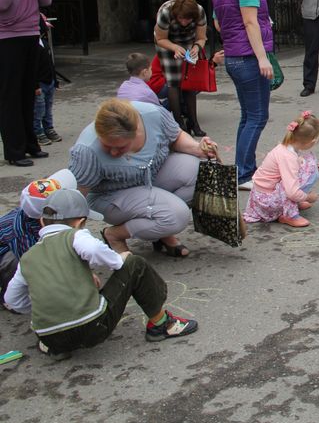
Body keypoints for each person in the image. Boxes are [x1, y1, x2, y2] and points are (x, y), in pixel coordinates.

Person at [3, 189, 198, 361]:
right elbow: (94, 250)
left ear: (42, 221)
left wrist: (47, 310)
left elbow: (12, 299)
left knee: (52, 321)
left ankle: (56, 348)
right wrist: (118, 260)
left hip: (49, 337)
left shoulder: (27, 257)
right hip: (92, 328)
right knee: (135, 264)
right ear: (80, 222)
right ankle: (161, 324)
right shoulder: (75, 235)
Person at [68, 98, 218, 258]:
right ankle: (115, 235)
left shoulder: (153, 115)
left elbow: (176, 136)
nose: (113, 153)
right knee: (177, 215)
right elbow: (74, 199)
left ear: (136, 131)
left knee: (203, 173)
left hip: (149, 178)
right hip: (111, 196)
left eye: (120, 147)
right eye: (106, 146)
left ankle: (160, 226)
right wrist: (70, 243)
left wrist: (198, 148)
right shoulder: (87, 150)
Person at [211, 0, 274, 189]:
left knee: (248, 116)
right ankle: (244, 174)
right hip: (248, 58)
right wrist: (262, 58)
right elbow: (249, 21)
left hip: (234, 56)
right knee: (257, 117)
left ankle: (243, 169)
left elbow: (218, 23)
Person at [0, 0, 51, 167]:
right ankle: (14, 151)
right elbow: (3, 3)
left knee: (28, 93)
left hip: (30, 36)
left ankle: (31, 144)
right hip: (7, 41)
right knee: (10, 97)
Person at [0, 169, 76, 297]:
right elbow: (31, 262)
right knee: (17, 262)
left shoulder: (32, 213)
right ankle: (8, 296)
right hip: (7, 256)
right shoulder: (21, 233)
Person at [244, 111, 319, 229]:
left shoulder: (285, 147)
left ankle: (295, 202)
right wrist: (307, 197)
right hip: (267, 201)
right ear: (312, 141)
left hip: (260, 196)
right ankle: (290, 215)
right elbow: (291, 191)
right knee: (312, 172)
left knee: (310, 167)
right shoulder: (288, 156)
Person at [154, 0, 208, 136]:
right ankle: (179, 124)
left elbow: (201, 38)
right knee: (173, 82)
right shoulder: (166, 12)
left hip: (189, 41)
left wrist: (196, 47)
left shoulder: (199, 11)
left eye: (188, 19)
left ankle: (194, 123)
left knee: (189, 82)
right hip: (166, 42)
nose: (184, 22)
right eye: (181, 18)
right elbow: (160, 38)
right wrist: (174, 48)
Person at [33, 17, 59, 146]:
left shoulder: (44, 43)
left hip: (49, 82)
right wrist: (35, 85)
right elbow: (31, 69)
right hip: (40, 83)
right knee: (39, 110)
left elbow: (50, 64)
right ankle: (38, 131)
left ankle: (49, 128)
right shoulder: (32, 46)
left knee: (48, 108)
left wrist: (55, 80)